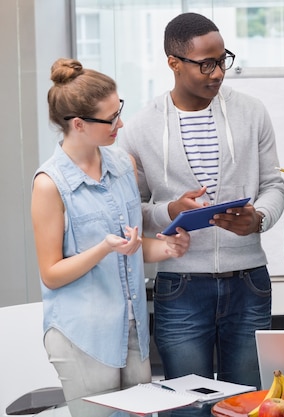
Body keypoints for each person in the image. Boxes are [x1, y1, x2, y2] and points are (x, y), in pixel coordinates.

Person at [117, 12, 284, 388]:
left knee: (245, 403)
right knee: (187, 403)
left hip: (248, 282)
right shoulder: (142, 127)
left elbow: (274, 185)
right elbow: (135, 212)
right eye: (206, 64)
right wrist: (170, 211)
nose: (218, 73)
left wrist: (258, 219)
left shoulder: (251, 112)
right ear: (174, 64)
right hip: (180, 286)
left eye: (223, 59)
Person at [31, 58, 191, 401]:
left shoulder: (123, 165)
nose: (121, 123)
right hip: (83, 336)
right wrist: (102, 248)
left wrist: (167, 248)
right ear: (78, 124)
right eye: (111, 118)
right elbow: (51, 274)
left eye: (119, 109)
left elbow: (130, 246)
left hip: (132, 329)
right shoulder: (50, 184)